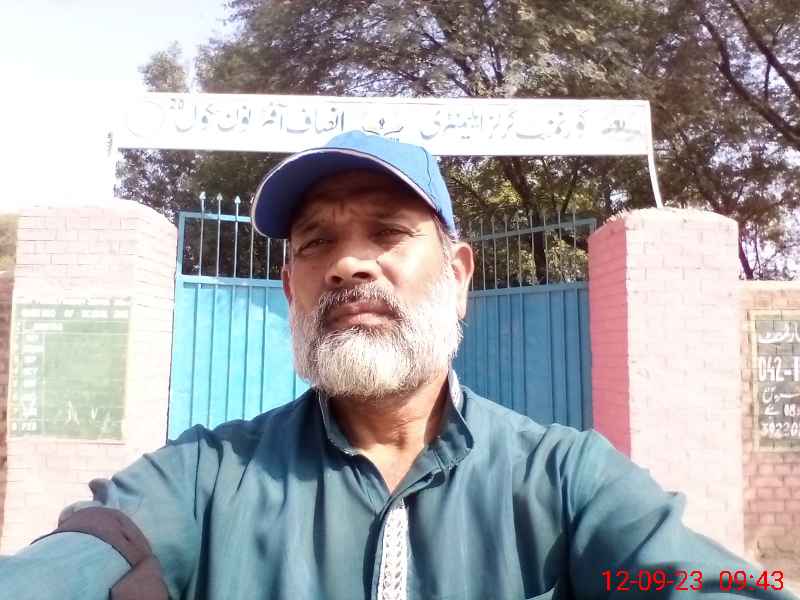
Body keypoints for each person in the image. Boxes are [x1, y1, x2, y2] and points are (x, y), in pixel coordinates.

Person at [0, 131, 795, 600]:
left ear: (458, 275)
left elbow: (697, 582)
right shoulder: (205, 479)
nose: (348, 264)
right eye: (317, 242)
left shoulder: (567, 480)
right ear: (291, 288)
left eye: (387, 232)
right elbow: (81, 559)